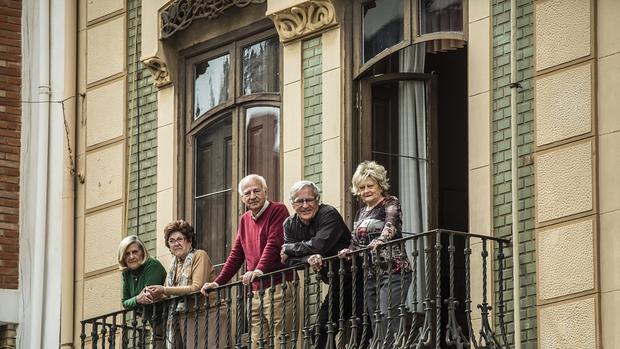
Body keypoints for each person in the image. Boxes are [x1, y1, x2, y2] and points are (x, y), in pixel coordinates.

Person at [200, 174, 296, 349]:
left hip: (278, 285)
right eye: (247, 193)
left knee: (281, 338)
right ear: (242, 198)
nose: (252, 196)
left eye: (256, 191)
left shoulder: (278, 210)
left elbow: (274, 243)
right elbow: (237, 254)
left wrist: (258, 270)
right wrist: (217, 283)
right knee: (257, 341)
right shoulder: (244, 220)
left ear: (265, 191)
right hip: (255, 291)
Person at [280, 180, 367, 348]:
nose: (305, 205)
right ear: (292, 204)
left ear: (317, 200)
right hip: (336, 283)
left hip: (359, 278)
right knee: (320, 332)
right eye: (299, 201)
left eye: (309, 200)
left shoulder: (329, 214)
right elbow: (289, 262)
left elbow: (319, 245)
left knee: (363, 330)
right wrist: (308, 259)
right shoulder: (289, 224)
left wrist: (290, 247)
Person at [339, 161, 412, 343]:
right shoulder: (361, 213)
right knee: (377, 319)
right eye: (361, 187)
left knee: (388, 315)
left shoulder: (390, 202)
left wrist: (381, 239)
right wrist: (348, 251)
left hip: (394, 271)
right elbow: (355, 243)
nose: (366, 191)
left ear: (380, 185)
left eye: (370, 186)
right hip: (371, 274)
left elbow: (391, 224)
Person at [146, 220, 224, 348]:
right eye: (171, 241)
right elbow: (168, 295)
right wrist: (152, 294)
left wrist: (164, 290)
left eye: (180, 239)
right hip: (185, 321)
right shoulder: (173, 266)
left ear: (189, 241)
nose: (176, 244)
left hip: (207, 316)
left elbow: (196, 288)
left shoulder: (199, 255)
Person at [118, 235, 167, 309]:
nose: (131, 257)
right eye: (127, 254)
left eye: (135, 252)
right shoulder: (126, 273)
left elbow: (148, 298)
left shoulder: (152, 265)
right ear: (123, 257)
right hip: (150, 318)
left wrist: (133, 301)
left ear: (143, 252)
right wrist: (137, 299)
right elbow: (125, 303)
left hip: (165, 316)